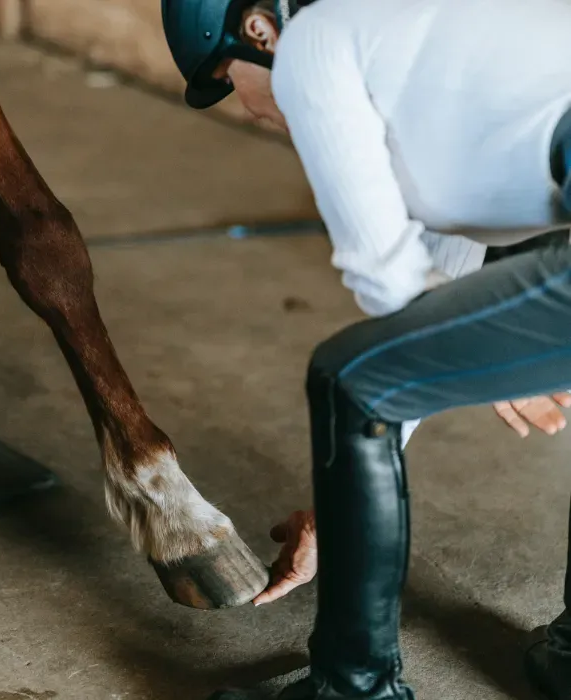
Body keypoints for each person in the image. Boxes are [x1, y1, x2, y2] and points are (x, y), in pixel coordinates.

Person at [160, 0, 571, 698]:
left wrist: (492, 352)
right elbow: (425, 301)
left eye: (230, 80)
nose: (252, 109)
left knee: (345, 376)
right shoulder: (420, 47)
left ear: (259, 32)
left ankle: (353, 693)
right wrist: (333, 519)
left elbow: (385, 284)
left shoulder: (318, 43)